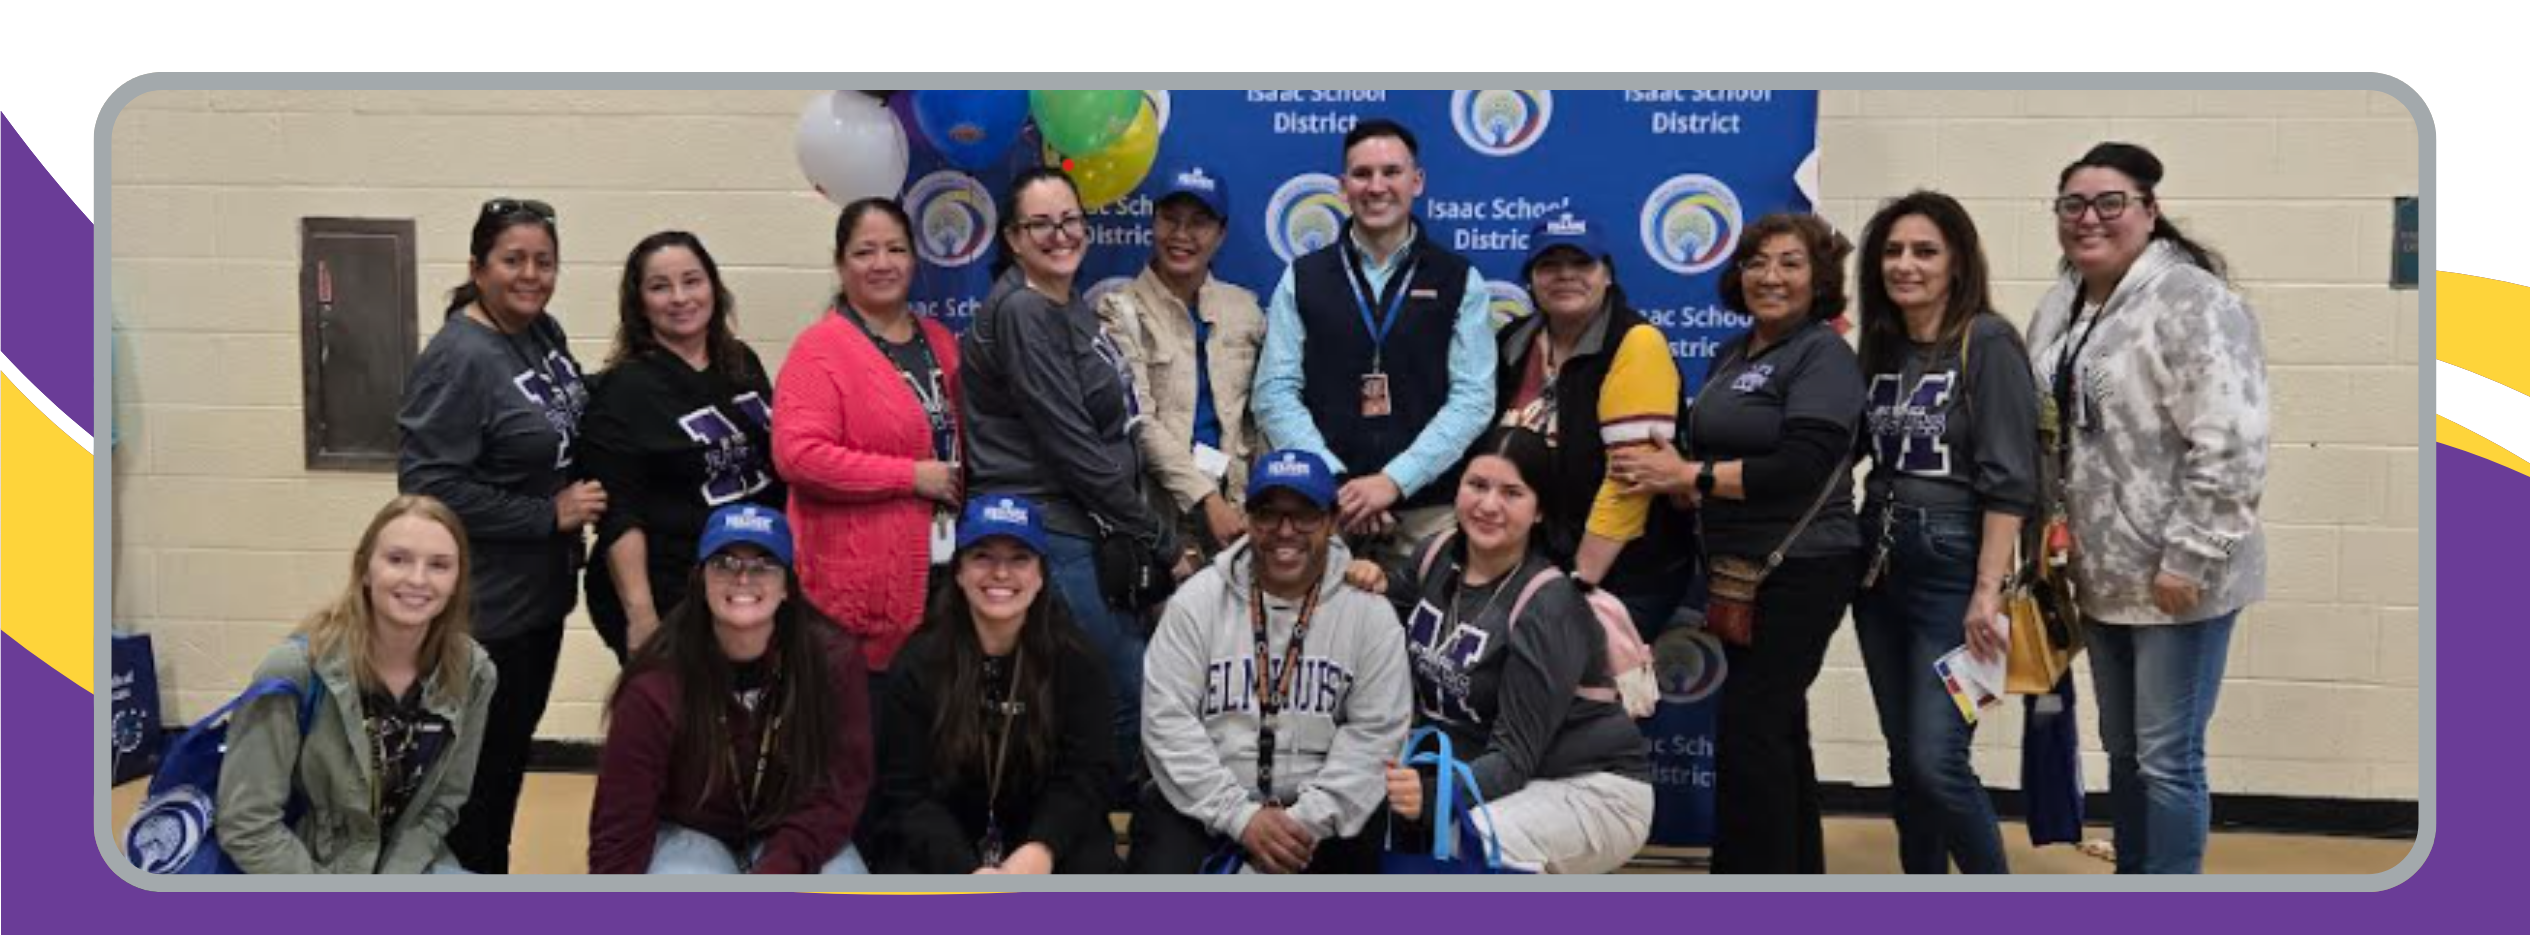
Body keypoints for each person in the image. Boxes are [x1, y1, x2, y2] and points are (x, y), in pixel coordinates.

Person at [2027, 142, 2268, 875]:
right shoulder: (2064, 301)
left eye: (2111, 203)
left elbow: (2233, 439)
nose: (2089, 218)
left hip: (2178, 578)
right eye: (2073, 205)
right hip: (2102, 576)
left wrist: (2190, 554)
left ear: (2149, 211)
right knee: (2125, 753)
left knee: (2168, 758)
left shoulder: (2193, 300)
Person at [1609, 212, 1864, 874]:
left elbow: (1800, 466)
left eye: (1790, 262)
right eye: (1756, 262)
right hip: (1737, 566)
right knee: (1777, 731)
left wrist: (1690, 474)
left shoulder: (1824, 353)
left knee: (1751, 734)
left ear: (1820, 278)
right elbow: (1719, 450)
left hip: (1802, 566)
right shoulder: (1734, 351)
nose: (1770, 276)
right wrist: (1680, 470)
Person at [397, 196, 602, 873]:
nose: (531, 274)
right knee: (473, 786)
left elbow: (570, 417)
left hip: (539, 601)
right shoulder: (460, 356)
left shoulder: (542, 332)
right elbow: (428, 488)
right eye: (513, 259)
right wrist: (547, 515)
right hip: (487, 613)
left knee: (507, 765)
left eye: (544, 261)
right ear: (478, 267)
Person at [1351, 427, 1654, 874]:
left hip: (1590, 787)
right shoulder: (1434, 556)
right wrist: (1366, 580)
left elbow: (1514, 758)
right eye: (1477, 485)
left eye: (1512, 493)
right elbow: (1382, 616)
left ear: (1538, 511)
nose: (1489, 505)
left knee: (1466, 836)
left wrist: (1433, 796)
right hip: (1502, 777)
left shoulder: (1547, 603)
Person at [961, 166, 1175, 781]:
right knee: (1125, 687)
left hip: (1087, 527)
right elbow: (1073, 446)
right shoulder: (1026, 309)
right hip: (1052, 530)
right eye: (1041, 224)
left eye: (1071, 220)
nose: (1060, 234)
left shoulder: (1066, 303)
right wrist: (1158, 537)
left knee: (1102, 689)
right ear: (1012, 237)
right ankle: (1112, 840)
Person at [1850, 191, 2039, 874]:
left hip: (1956, 568)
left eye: (1924, 250)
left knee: (1937, 759)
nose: (1905, 264)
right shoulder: (1880, 344)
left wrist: (1986, 591)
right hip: (1878, 565)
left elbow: (2011, 479)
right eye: (1893, 251)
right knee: (1905, 757)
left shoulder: (1986, 340)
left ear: (1957, 263)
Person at [1131, 449, 1411, 874]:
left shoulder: (1369, 614)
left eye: (1305, 516)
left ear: (1332, 521)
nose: (1285, 531)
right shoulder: (1197, 601)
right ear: (1247, 518)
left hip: (1321, 818)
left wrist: (1300, 825)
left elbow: (1374, 737)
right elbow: (1166, 721)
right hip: (1206, 805)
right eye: (1268, 515)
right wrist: (1241, 819)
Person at [1251, 118, 1497, 564]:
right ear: (1343, 186)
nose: (1376, 186)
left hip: (1430, 514)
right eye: (1362, 174)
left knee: (1426, 632)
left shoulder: (1460, 279)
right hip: (1325, 509)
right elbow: (1274, 392)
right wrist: (1338, 482)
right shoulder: (1303, 278)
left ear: (1416, 181)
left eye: (1391, 172)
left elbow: (1474, 399)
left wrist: (1394, 481)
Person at [588, 504, 874, 874]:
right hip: (692, 832)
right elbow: (622, 815)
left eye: (763, 564)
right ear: (700, 579)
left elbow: (840, 788)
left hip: (797, 830)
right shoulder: (655, 679)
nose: (743, 579)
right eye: (724, 563)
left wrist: (782, 864)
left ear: (787, 585)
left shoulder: (832, 660)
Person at [217, 495, 497, 874]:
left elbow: (442, 804)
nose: (417, 579)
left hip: (403, 864)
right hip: (301, 868)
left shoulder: (473, 672)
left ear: (457, 580)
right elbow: (247, 824)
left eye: (439, 565)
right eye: (397, 559)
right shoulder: (293, 671)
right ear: (365, 569)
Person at [867, 495, 1121, 874]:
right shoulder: (919, 662)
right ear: (958, 571)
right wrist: (963, 870)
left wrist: (1041, 848)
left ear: (1040, 576)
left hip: (1046, 841)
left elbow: (1088, 773)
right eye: (983, 556)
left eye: (1020, 558)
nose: (1001, 573)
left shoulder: (1076, 661)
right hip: (944, 842)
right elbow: (907, 790)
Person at [776, 197, 964, 676]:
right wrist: (910, 476)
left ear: (915, 259)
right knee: (860, 737)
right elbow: (799, 457)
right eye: (864, 252)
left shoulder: (939, 340)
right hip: (854, 592)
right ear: (840, 264)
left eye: (895, 249)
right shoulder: (819, 349)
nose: (882, 263)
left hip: (941, 571)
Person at [581, 231, 784, 663]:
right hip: (671, 589)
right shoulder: (624, 390)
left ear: (713, 286)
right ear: (639, 303)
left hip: (744, 581)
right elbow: (620, 516)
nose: (679, 297)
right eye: (659, 286)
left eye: (692, 280)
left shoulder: (741, 362)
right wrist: (642, 618)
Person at [1490, 211, 1694, 638]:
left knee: (1589, 699)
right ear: (1530, 278)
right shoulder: (1513, 340)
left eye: (1581, 263)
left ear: (1607, 275)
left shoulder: (1636, 343)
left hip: (1619, 573)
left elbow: (1629, 483)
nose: (1565, 275)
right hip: (1537, 566)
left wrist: (1579, 585)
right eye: (1549, 264)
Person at [1096, 164, 1268, 565]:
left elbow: (1262, 417)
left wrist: (1258, 505)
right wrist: (1206, 499)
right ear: (1152, 222)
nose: (1181, 236)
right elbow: (1139, 421)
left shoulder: (1245, 309)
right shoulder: (1119, 310)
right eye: (1170, 220)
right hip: (1159, 519)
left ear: (1221, 233)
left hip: (1240, 515)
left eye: (1199, 223)